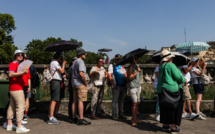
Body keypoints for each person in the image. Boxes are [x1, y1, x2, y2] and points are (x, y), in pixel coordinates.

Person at [157, 49, 185, 134]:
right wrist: (183, 79)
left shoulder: (161, 66)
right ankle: (173, 127)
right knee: (174, 109)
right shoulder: (171, 65)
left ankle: (165, 125)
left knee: (164, 108)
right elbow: (179, 78)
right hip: (171, 90)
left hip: (161, 89)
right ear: (169, 58)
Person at [6, 49, 30, 133]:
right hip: (17, 88)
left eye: (22, 54)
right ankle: (19, 126)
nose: (20, 55)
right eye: (18, 54)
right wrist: (22, 73)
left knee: (11, 106)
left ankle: (9, 124)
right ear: (15, 56)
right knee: (21, 105)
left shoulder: (16, 64)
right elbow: (10, 74)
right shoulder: (13, 64)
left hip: (14, 88)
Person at [71, 48, 91, 125]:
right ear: (81, 54)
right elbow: (81, 74)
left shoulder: (74, 62)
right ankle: (81, 118)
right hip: (80, 84)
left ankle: (73, 117)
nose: (85, 55)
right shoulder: (81, 62)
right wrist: (85, 82)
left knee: (74, 101)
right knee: (80, 101)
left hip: (74, 84)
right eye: (84, 53)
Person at [178, 52, 199, 120]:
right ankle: (190, 113)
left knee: (183, 98)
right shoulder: (183, 64)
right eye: (187, 55)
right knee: (187, 98)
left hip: (184, 83)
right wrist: (191, 65)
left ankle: (183, 112)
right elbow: (186, 71)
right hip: (184, 83)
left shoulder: (181, 64)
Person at [47, 52, 66, 124]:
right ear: (58, 58)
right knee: (54, 100)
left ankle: (50, 115)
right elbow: (62, 71)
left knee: (54, 99)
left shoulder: (53, 62)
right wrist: (63, 64)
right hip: (56, 81)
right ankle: (51, 118)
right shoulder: (55, 62)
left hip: (55, 81)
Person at [108, 54, 127, 120]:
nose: (118, 60)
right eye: (117, 59)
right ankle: (114, 114)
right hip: (116, 86)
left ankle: (121, 114)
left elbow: (125, 74)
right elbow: (109, 75)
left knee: (121, 101)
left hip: (123, 86)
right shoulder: (112, 66)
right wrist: (113, 84)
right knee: (115, 101)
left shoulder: (122, 66)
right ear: (115, 59)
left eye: (119, 59)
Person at [127, 56, 142, 126]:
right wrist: (136, 72)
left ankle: (135, 118)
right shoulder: (130, 67)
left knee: (137, 103)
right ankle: (134, 119)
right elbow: (129, 77)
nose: (136, 59)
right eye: (134, 58)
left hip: (137, 87)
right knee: (135, 103)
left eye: (136, 58)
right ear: (131, 60)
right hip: (132, 87)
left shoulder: (137, 66)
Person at [22, 54, 31, 122]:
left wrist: (29, 86)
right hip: (20, 86)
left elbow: (29, 78)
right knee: (21, 100)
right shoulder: (20, 67)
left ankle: (24, 114)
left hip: (26, 85)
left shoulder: (28, 68)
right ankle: (21, 115)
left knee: (26, 99)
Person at [68, 57, 77, 121]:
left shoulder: (72, 68)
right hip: (72, 86)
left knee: (72, 101)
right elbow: (70, 78)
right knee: (72, 101)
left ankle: (72, 114)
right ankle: (71, 115)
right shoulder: (72, 68)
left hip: (72, 85)